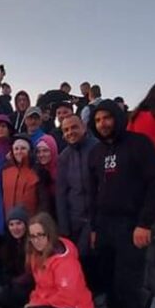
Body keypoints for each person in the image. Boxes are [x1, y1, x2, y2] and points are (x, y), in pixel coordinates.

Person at [88, 99, 155, 308]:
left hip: (132, 225)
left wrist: (144, 223)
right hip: (105, 226)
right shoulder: (96, 153)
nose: (103, 124)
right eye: (98, 120)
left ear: (118, 118)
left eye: (106, 118)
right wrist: (94, 228)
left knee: (128, 285)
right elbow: (93, 192)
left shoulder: (139, 144)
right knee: (109, 283)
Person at [6, 213, 93, 308]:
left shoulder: (65, 262)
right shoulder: (37, 253)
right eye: (32, 236)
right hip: (50, 300)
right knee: (9, 302)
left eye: (41, 235)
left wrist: (35, 306)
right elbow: (41, 286)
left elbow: (66, 298)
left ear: (50, 234)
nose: (36, 240)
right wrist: (34, 302)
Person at [56, 114, 100, 290]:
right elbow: (61, 193)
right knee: (75, 260)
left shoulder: (98, 148)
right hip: (74, 218)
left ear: (83, 127)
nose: (70, 132)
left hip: (95, 217)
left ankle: (94, 296)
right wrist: (63, 227)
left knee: (91, 258)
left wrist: (97, 223)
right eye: (66, 130)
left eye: (74, 127)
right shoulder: (64, 156)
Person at [0, 206, 33, 308]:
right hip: (15, 283)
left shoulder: (32, 242)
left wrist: (16, 282)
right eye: (11, 224)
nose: (15, 228)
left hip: (31, 284)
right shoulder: (8, 244)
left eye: (18, 223)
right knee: (2, 299)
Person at [2, 135, 48, 217]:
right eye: (16, 149)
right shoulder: (5, 171)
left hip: (31, 223)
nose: (19, 152)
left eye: (23, 148)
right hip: (9, 223)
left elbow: (44, 202)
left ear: (29, 151)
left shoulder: (38, 171)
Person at [35, 135, 59, 219]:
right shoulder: (36, 172)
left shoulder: (62, 170)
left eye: (45, 151)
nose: (41, 155)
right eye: (38, 151)